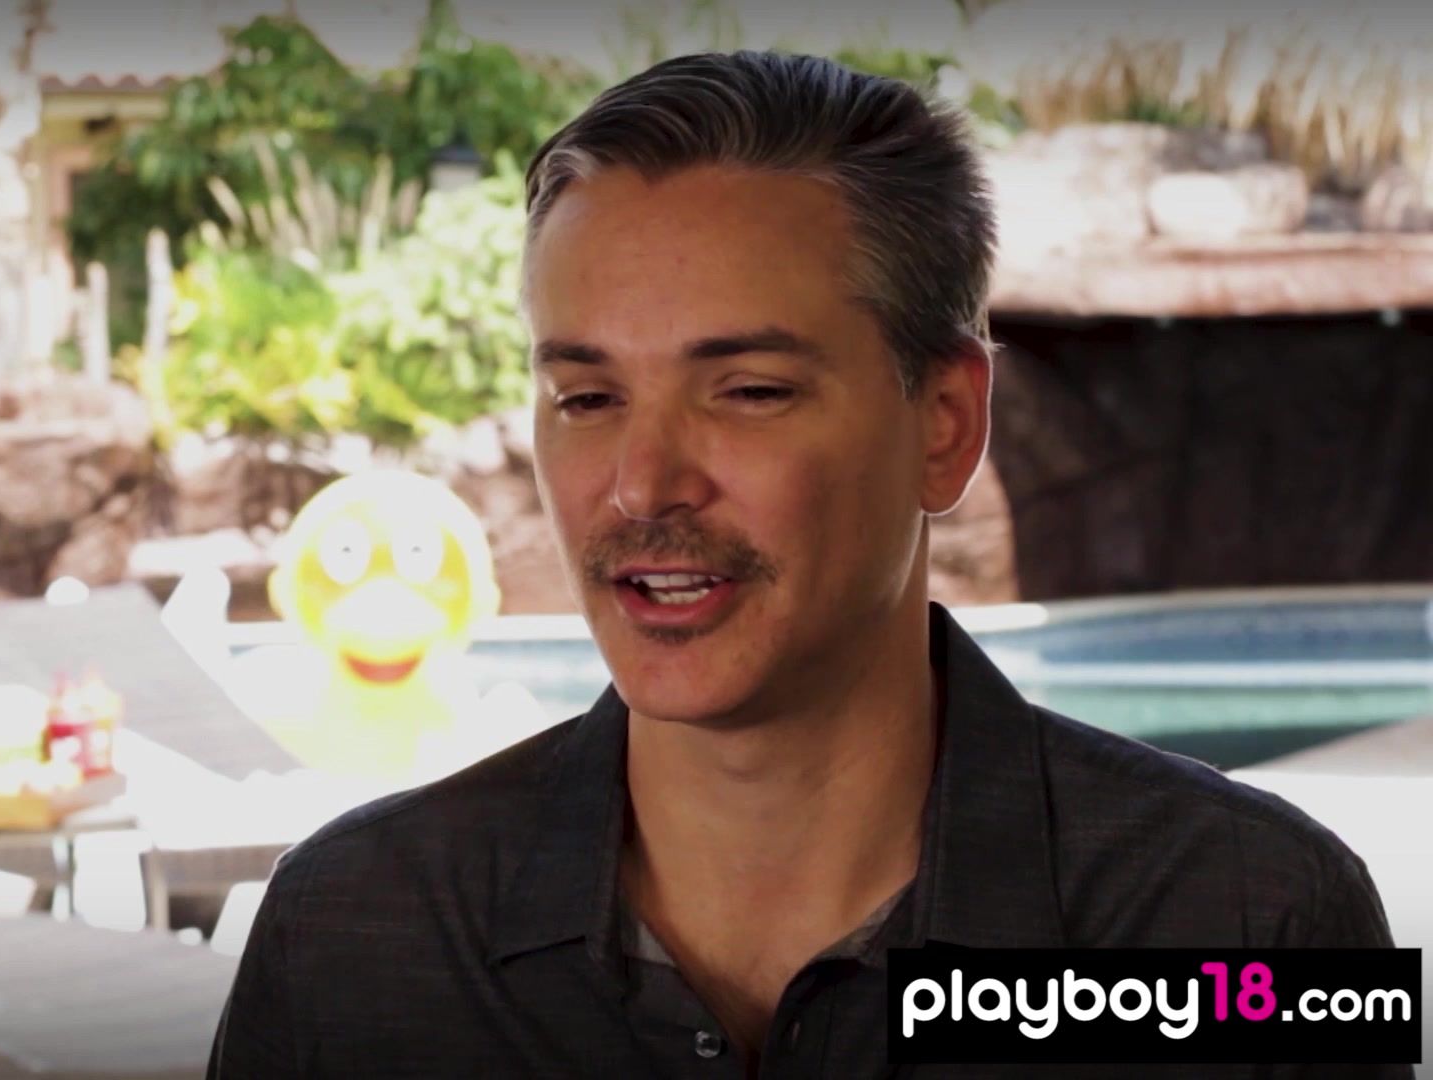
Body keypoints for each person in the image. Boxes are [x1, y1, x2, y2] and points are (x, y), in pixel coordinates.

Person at [209, 51, 1403, 1078]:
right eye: (588, 397)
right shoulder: (352, 942)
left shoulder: (1252, 929)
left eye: (749, 392)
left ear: (945, 424)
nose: (642, 484)